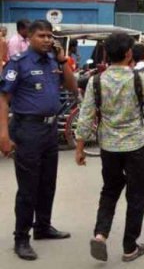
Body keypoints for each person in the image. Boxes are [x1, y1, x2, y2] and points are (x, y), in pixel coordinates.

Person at [74, 33, 144, 263]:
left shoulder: (96, 81)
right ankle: (130, 247)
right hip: (137, 146)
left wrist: (80, 148)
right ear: (129, 53)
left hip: (109, 147)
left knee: (109, 190)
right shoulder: (140, 79)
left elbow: (86, 116)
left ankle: (100, 234)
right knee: (136, 195)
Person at [0, 20, 77, 261]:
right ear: (30, 38)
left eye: (49, 36)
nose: (47, 40)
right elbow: (3, 99)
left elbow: (73, 87)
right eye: (42, 36)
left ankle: (43, 227)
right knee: (28, 188)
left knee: (47, 183)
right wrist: (3, 134)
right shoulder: (18, 63)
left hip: (49, 129)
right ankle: (21, 238)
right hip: (27, 129)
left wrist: (63, 60)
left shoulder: (54, 62)